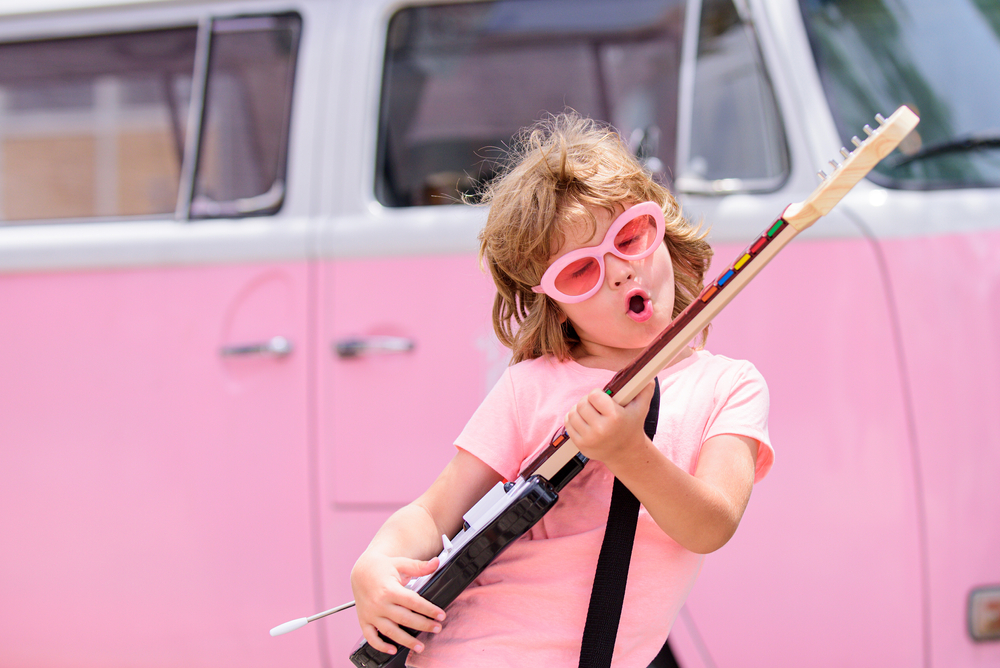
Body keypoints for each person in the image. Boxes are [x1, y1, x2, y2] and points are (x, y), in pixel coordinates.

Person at [350, 113, 773, 667]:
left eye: (631, 237)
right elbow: (434, 514)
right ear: (556, 304)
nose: (621, 272)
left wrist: (629, 454)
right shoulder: (531, 386)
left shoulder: (728, 386)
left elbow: (710, 525)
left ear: (663, 230)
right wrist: (375, 563)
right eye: (581, 272)